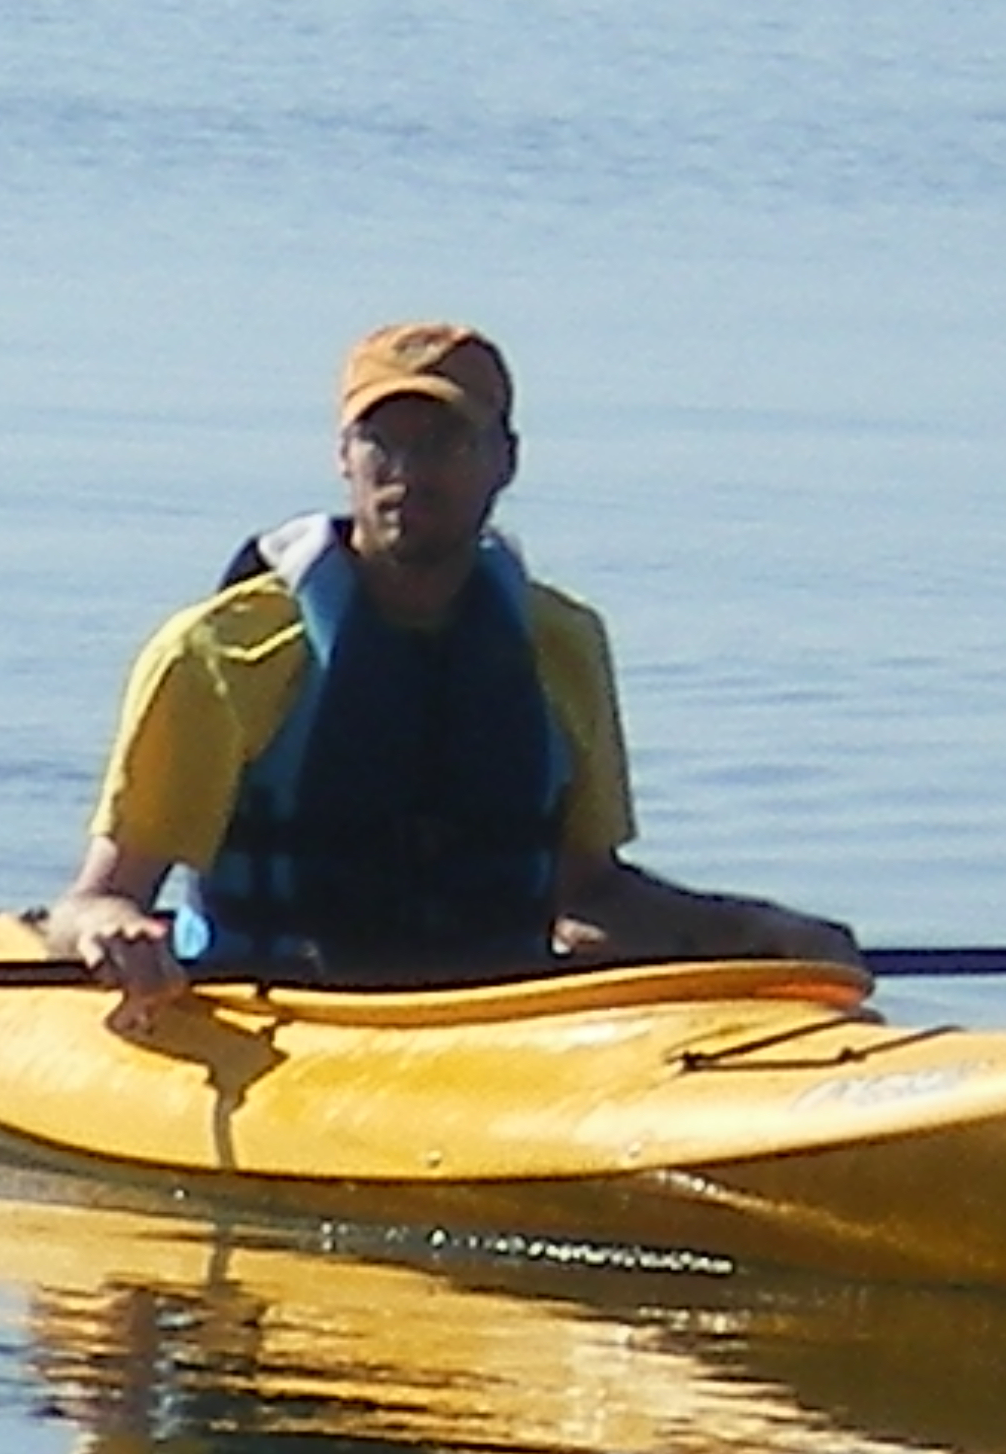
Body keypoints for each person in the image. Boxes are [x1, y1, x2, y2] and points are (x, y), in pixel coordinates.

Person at [42, 320, 862, 1016]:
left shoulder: (562, 642)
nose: (409, 471)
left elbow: (589, 893)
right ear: (344, 457)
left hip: (494, 1012)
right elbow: (94, 900)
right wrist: (109, 930)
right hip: (283, 1008)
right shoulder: (218, 654)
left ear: (505, 460)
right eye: (383, 441)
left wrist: (756, 930)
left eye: (444, 442)